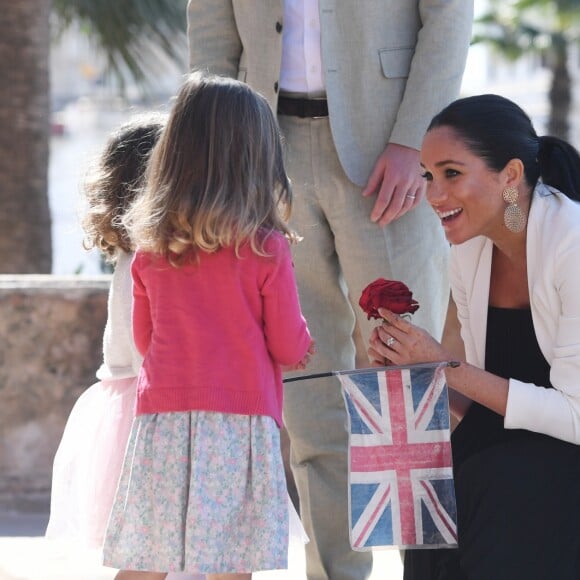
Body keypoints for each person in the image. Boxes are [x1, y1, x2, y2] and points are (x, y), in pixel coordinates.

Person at [187, 2, 474, 578]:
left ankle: (426, 572)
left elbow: (449, 15)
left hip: (389, 155)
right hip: (265, 154)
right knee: (307, 383)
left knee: (405, 388)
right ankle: (335, 574)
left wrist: (415, 140)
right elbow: (212, 29)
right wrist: (219, 151)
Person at [101, 72, 314, 580]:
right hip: (239, 422)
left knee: (146, 556)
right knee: (230, 560)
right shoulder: (266, 249)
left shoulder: (149, 251)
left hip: (163, 420)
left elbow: (145, 341)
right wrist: (304, 347)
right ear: (258, 160)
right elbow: (286, 341)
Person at [368, 94, 580, 580]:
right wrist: (418, 371)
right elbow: (486, 403)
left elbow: (574, 414)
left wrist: (444, 363)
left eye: (451, 173)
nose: (434, 193)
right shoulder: (468, 251)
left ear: (510, 176)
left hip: (559, 456)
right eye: (426, 175)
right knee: (432, 482)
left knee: (493, 480)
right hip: (503, 450)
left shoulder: (572, 244)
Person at [45, 113, 165, 549]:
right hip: (150, 408)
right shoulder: (148, 261)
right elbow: (145, 348)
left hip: (130, 404)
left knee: (148, 546)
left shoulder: (131, 255)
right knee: (158, 543)